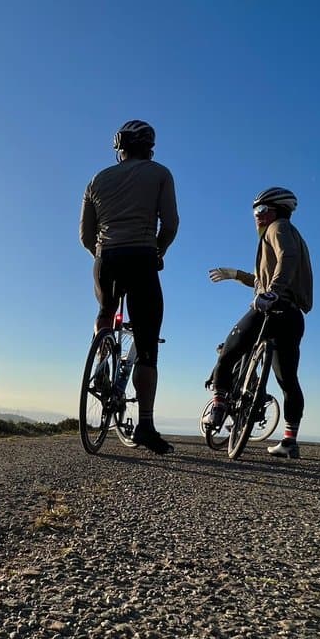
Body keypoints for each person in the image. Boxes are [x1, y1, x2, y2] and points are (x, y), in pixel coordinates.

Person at [80, 119, 180, 455]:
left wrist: (102, 253)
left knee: (106, 310)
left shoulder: (97, 179)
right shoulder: (160, 173)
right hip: (142, 258)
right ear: (149, 147)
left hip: (106, 258)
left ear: (119, 147)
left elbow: (85, 235)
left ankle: (101, 359)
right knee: (147, 345)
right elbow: (171, 223)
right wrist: (158, 251)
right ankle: (147, 426)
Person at [205, 186, 313, 459]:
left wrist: (272, 292)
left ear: (278, 211)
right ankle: (289, 441)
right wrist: (235, 274)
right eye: (256, 211)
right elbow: (264, 278)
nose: (257, 216)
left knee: (229, 350)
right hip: (291, 315)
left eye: (262, 210)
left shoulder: (279, 228)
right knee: (287, 379)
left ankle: (218, 403)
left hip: (271, 308)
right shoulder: (290, 235)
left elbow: (285, 261)